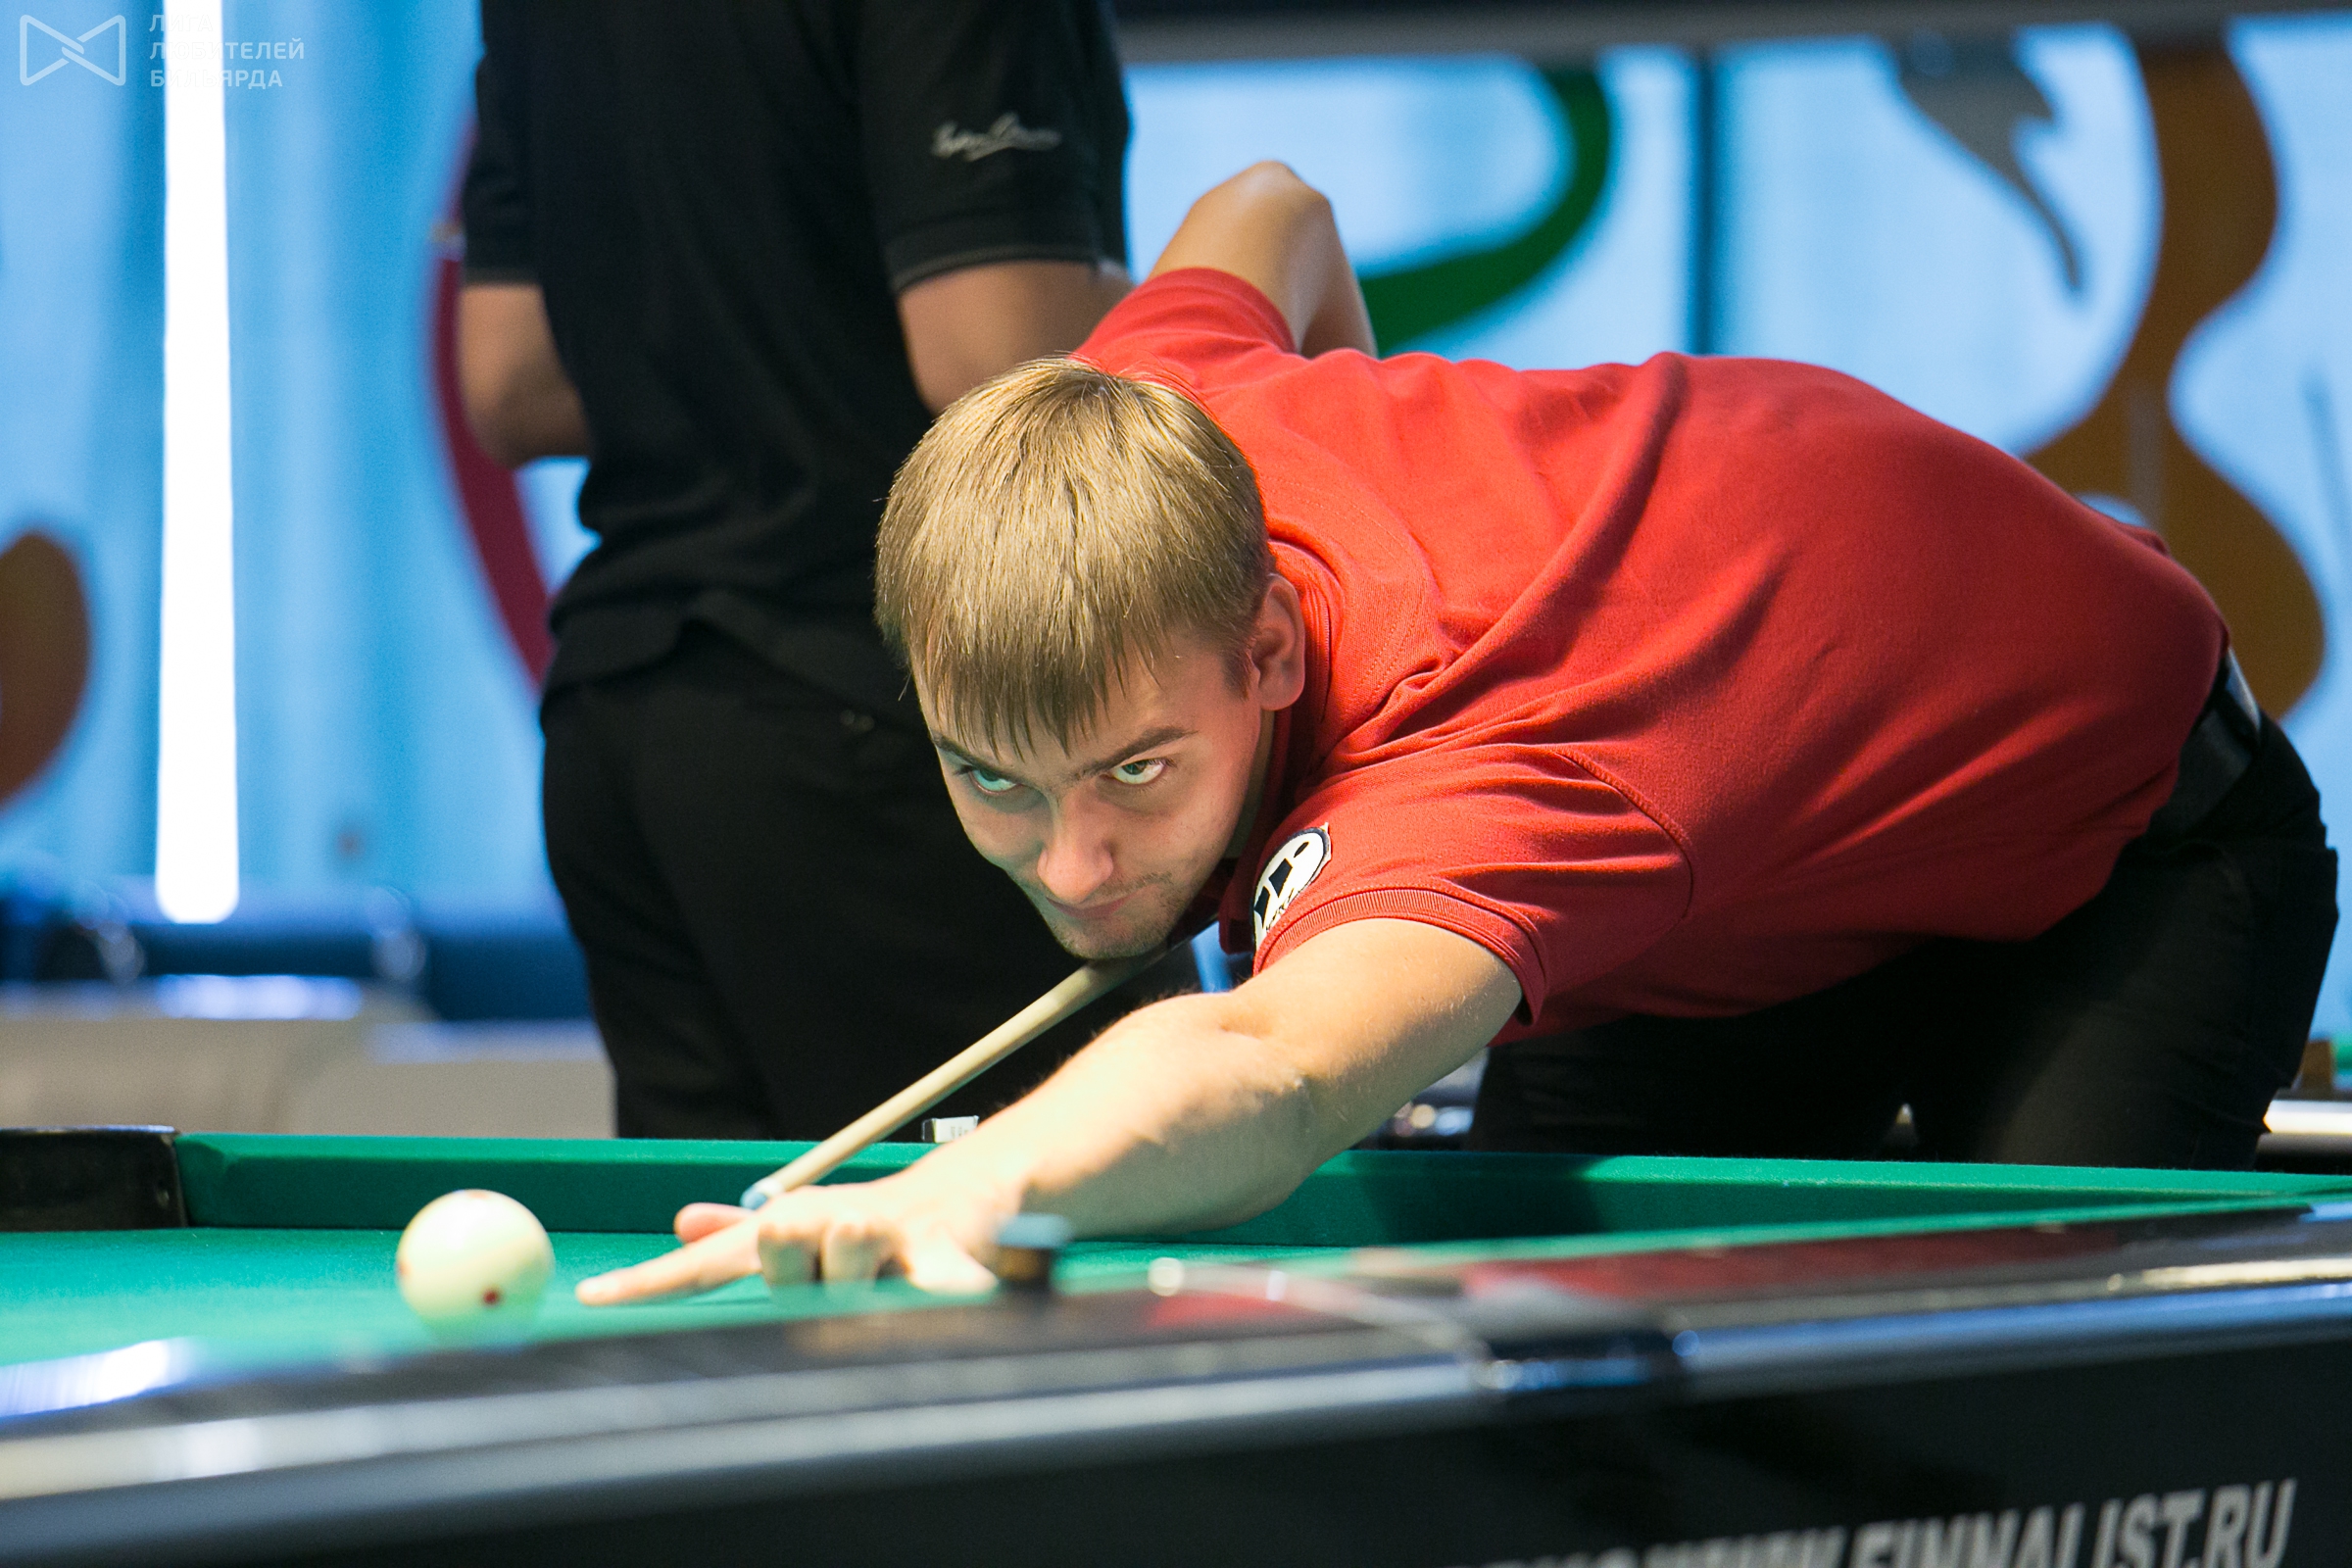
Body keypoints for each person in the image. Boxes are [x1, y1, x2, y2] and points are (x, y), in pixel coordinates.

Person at [577, 163, 2336, 1304]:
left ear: (1271, 648)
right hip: (1731, 890)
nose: (1080, 865)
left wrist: (995, 1182)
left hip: (2123, 858)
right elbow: (1269, 209)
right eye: (995, 783)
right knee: (1543, 1370)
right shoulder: (1139, 434)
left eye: (1136, 772)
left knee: (1997, 1404)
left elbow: (1275, 1067)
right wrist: (1351, 388)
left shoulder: (1480, 770)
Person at [455, 1, 1140, 1139]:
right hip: (883, 723)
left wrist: (757, 357)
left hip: (625, 725)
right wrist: (1236, 307)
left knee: (730, 1249)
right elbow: (989, 351)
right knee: (1082, 1206)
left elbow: (512, 376)